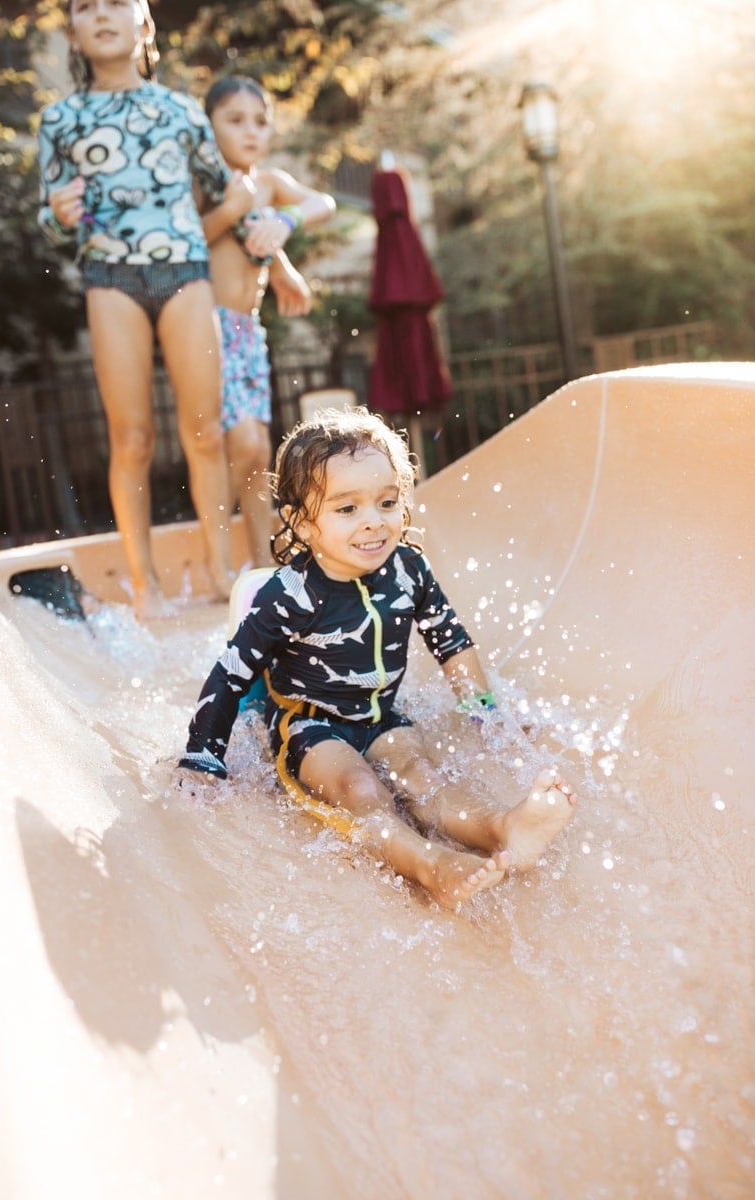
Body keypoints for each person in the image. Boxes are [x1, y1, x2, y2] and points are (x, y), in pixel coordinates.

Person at [178, 407, 578, 911]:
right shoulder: (291, 594)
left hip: (381, 717)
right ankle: (431, 867)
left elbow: (451, 643)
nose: (373, 522)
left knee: (423, 777)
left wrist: (488, 716)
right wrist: (203, 757)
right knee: (361, 788)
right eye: (347, 510)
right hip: (311, 727)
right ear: (302, 523)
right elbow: (232, 673)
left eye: (387, 502)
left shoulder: (408, 570)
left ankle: (503, 828)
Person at [37, 0, 234, 619]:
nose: (100, 14)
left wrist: (277, 225)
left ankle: (221, 570)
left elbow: (227, 187)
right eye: (84, 7)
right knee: (133, 437)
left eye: (115, 3)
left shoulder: (179, 109)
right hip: (110, 278)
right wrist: (59, 214)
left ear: (143, 24)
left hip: (185, 274)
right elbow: (50, 216)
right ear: (72, 30)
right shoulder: (61, 119)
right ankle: (145, 586)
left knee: (205, 431)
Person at [198, 74, 337, 569]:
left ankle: (262, 565)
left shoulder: (270, 183)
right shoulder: (207, 186)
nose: (250, 131)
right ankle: (217, 555)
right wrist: (235, 210)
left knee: (259, 457)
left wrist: (285, 226)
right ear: (208, 127)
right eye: (235, 120)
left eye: (260, 121)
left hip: (248, 332)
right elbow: (193, 237)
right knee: (241, 443)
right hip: (206, 328)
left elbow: (323, 202)